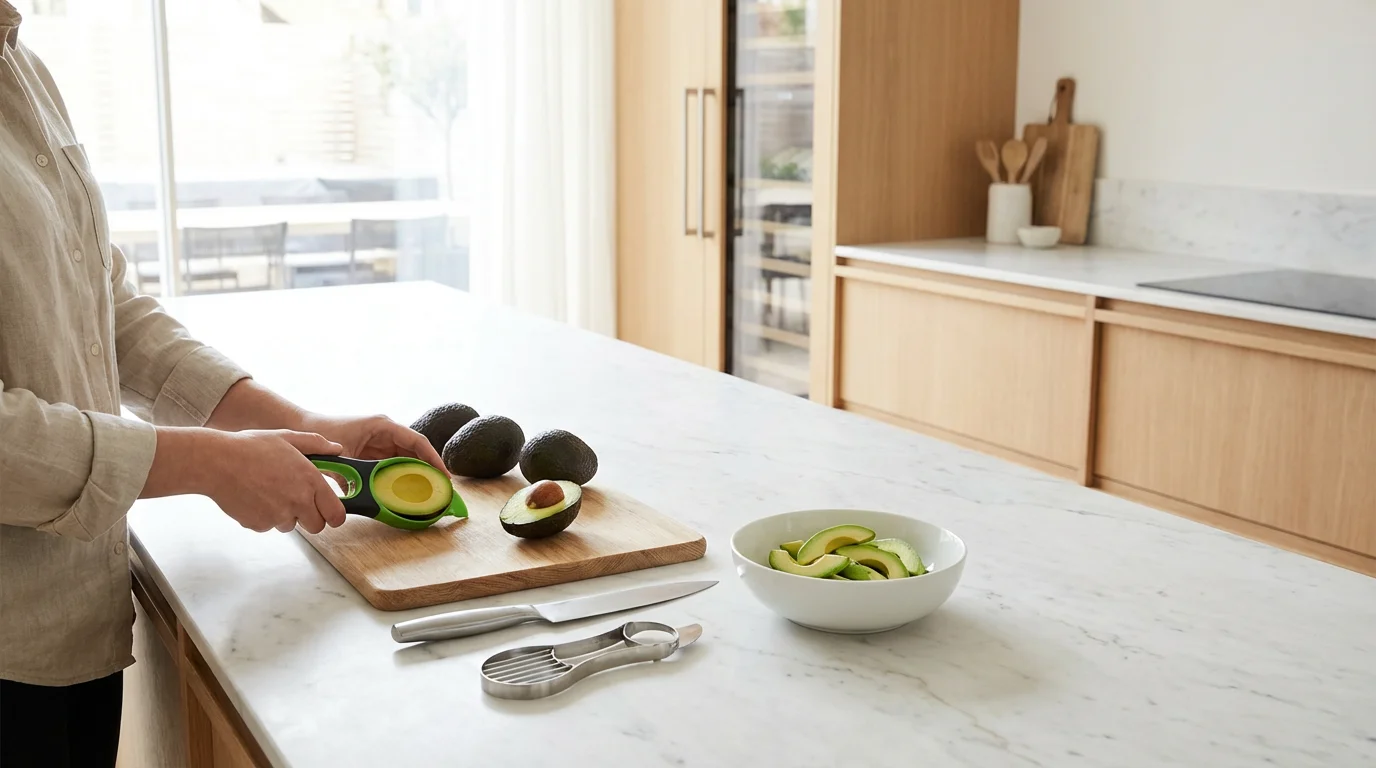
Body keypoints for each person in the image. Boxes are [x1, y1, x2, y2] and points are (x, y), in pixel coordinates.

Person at [0, 5, 445, 765]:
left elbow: (105, 305)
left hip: (69, 626)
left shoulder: (23, 66)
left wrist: (299, 422)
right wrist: (211, 463)